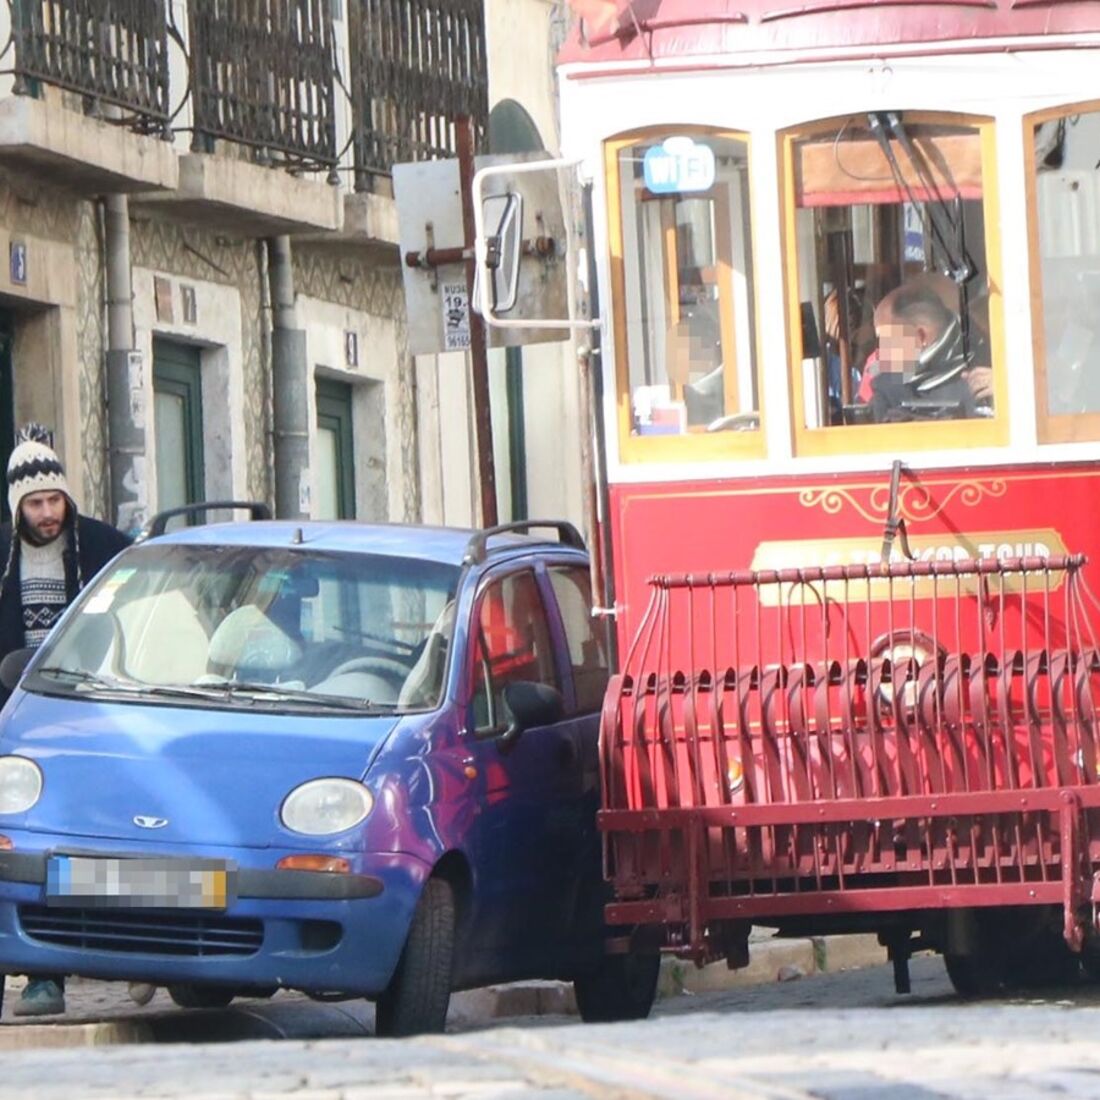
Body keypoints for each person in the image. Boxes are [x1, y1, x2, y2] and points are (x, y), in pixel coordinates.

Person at [0, 424, 131, 1018]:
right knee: (29, 846)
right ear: (17, 506)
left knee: (110, 844)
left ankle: (136, 954)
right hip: (17, 722)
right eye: (35, 503)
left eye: (55, 500)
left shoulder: (104, 548)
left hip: (91, 721)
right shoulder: (3, 560)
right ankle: (41, 974)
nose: (48, 513)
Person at [866, 274, 991, 422]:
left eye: (887, 340)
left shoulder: (990, 374)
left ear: (920, 336)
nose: (881, 353)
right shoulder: (887, 387)